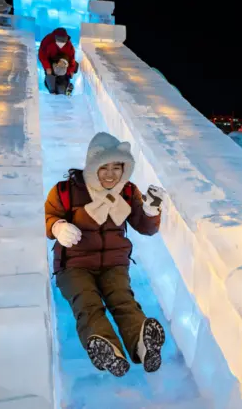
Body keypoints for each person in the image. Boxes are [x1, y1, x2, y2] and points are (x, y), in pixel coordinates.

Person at [45, 132, 167, 377]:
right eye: (104, 167)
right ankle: (108, 349)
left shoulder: (128, 191)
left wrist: (151, 210)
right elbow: (48, 216)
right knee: (87, 303)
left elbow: (144, 226)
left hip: (114, 263)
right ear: (92, 165)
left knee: (122, 300)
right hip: (74, 264)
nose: (111, 174)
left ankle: (143, 345)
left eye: (117, 167)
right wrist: (57, 227)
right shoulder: (65, 190)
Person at [39, 28, 78, 95]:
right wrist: (47, 67)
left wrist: (71, 71)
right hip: (52, 62)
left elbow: (72, 59)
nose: (61, 43)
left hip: (64, 64)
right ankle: (53, 91)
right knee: (51, 82)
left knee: (62, 88)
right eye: (59, 40)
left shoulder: (68, 45)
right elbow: (42, 55)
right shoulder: (48, 41)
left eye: (63, 41)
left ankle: (65, 89)